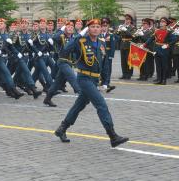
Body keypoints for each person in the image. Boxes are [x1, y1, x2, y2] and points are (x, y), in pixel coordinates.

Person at [54, 19, 129, 148]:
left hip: (94, 80)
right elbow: (66, 49)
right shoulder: (81, 41)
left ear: (100, 29)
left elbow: (104, 63)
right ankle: (113, 136)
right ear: (88, 29)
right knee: (101, 105)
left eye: (97, 27)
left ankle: (62, 128)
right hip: (84, 79)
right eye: (92, 27)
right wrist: (78, 36)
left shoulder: (101, 42)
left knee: (79, 105)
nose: (95, 29)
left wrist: (105, 82)